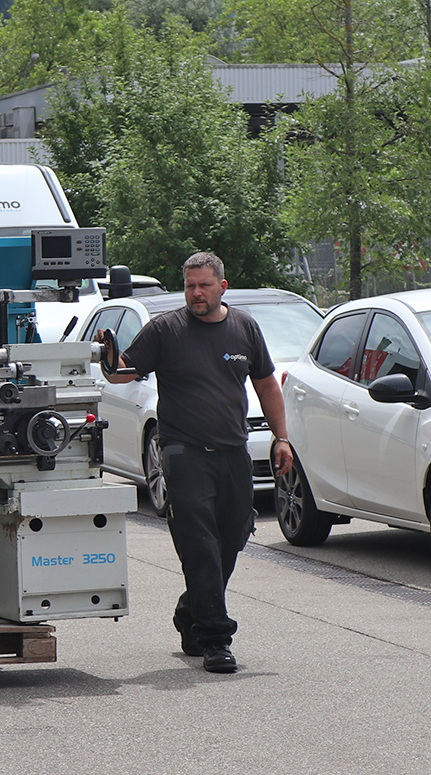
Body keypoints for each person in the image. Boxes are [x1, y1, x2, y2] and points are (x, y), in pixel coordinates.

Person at [98, 252, 293, 673]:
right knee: (199, 543)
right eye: (190, 286)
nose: (196, 293)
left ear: (223, 286)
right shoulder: (166, 330)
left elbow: (265, 385)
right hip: (183, 453)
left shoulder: (244, 328)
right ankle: (216, 639)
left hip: (232, 450)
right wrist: (109, 359)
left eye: (204, 285)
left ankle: (191, 613)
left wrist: (281, 437)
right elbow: (122, 373)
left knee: (234, 534)